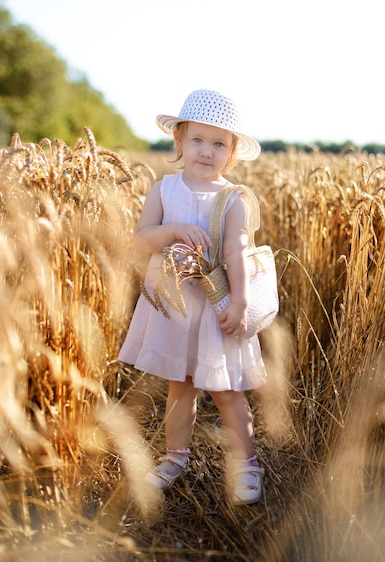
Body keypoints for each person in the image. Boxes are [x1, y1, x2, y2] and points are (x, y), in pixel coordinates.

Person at [118, 89, 267, 504]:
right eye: (198, 140)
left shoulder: (233, 198)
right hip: (174, 310)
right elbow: (142, 239)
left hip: (215, 310)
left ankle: (247, 462)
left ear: (232, 152)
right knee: (179, 388)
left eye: (219, 144)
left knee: (227, 390)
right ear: (180, 140)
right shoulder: (164, 190)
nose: (207, 151)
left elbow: (237, 251)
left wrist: (238, 303)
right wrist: (171, 231)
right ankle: (175, 456)